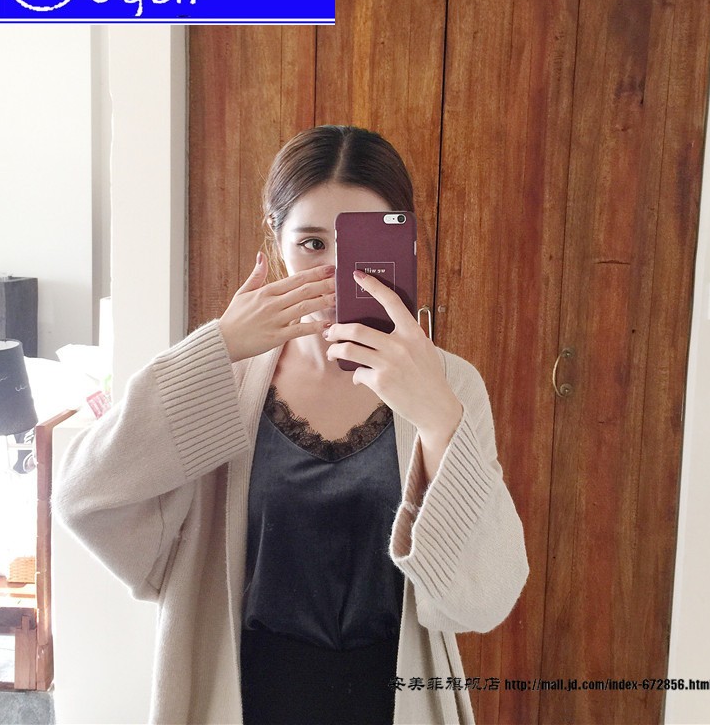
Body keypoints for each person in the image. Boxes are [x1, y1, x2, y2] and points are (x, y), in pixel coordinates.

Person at [53, 125, 528, 725]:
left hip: (393, 698)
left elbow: (484, 597)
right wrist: (217, 347)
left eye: (361, 245)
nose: (337, 272)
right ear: (276, 240)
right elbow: (83, 497)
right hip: (244, 694)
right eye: (311, 243)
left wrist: (437, 419)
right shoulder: (222, 379)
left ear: (403, 243)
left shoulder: (449, 385)